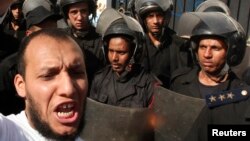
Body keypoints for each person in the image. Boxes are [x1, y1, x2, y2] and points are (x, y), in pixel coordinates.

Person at [170, 12, 249, 141]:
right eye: (202, 47)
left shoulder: (241, 95)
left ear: (231, 52)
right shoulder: (179, 82)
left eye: (215, 48)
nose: (207, 54)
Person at [0, 28, 87, 141]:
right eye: (48, 76)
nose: (68, 88)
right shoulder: (8, 132)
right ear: (21, 85)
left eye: (77, 73)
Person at [89, 8, 159, 108]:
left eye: (121, 52)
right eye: (111, 51)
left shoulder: (149, 84)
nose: (114, 58)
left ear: (134, 52)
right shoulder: (99, 79)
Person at [0, 0, 60, 115]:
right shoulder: (9, 68)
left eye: (54, 32)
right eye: (43, 33)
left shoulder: (63, 64)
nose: (50, 38)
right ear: (29, 34)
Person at [133, 0, 193, 88]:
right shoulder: (138, 44)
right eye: (150, 16)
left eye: (159, 15)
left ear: (165, 17)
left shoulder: (177, 43)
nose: (155, 21)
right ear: (144, 20)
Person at [59, 0, 105, 89]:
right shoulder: (61, 38)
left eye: (83, 11)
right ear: (67, 14)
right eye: (74, 12)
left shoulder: (100, 40)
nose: (79, 17)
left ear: (89, 12)